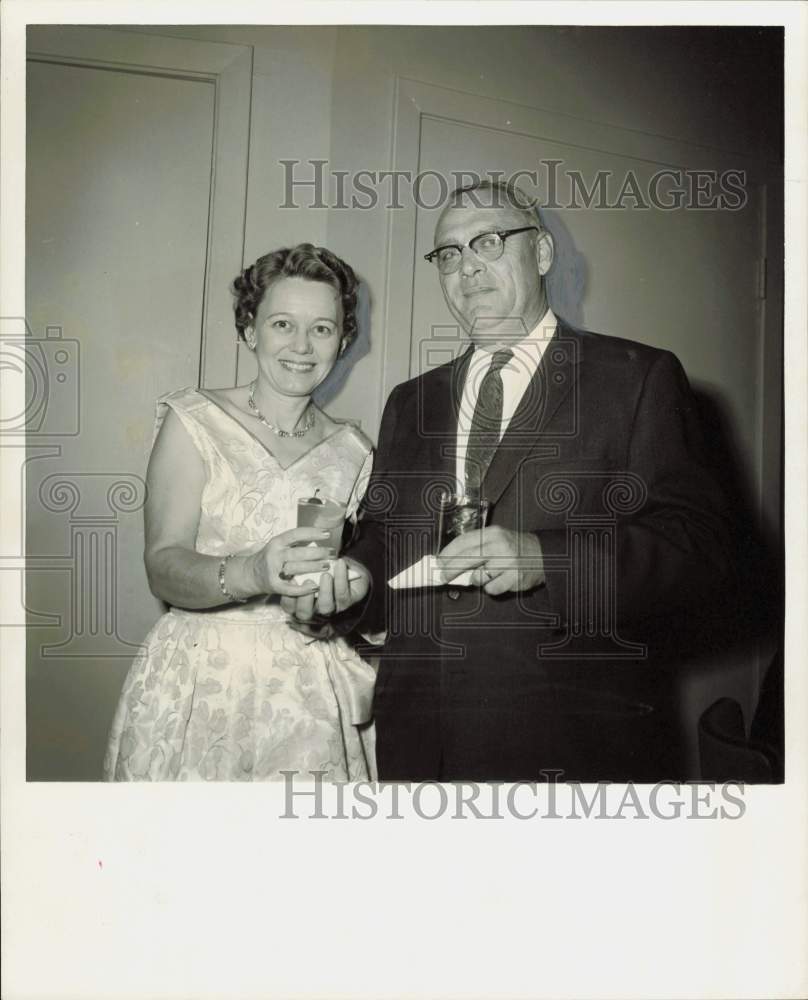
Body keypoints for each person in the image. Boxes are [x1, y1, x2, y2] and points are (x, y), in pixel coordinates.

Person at [284, 180, 733, 782]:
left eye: (489, 242)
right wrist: (354, 581)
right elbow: (390, 537)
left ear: (542, 254)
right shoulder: (411, 400)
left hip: (569, 746)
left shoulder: (635, 378)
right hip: (420, 741)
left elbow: (699, 547)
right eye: (448, 255)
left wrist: (547, 559)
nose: (467, 269)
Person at [104, 244, 376, 781]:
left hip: (307, 692)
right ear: (250, 330)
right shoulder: (195, 419)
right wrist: (253, 571)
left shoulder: (355, 452)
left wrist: (336, 600)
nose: (301, 346)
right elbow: (162, 567)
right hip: (201, 678)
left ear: (344, 342)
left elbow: (340, 583)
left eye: (322, 329)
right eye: (282, 324)